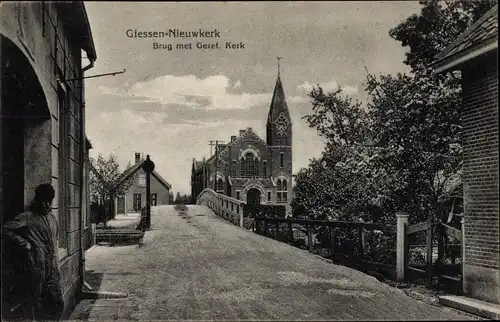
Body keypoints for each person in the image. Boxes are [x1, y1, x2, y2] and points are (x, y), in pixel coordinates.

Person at [2, 183, 64, 321]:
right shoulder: (27, 216)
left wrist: (56, 264)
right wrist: (25, 244)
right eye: (44, 201)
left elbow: (56, 241)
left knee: (57, 301)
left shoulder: (53, 219)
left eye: (49, 201)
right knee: (35, 303)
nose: (47, 204)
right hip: (36, 265)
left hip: (53, 267)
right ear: (38, 200)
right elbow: (6, 229)